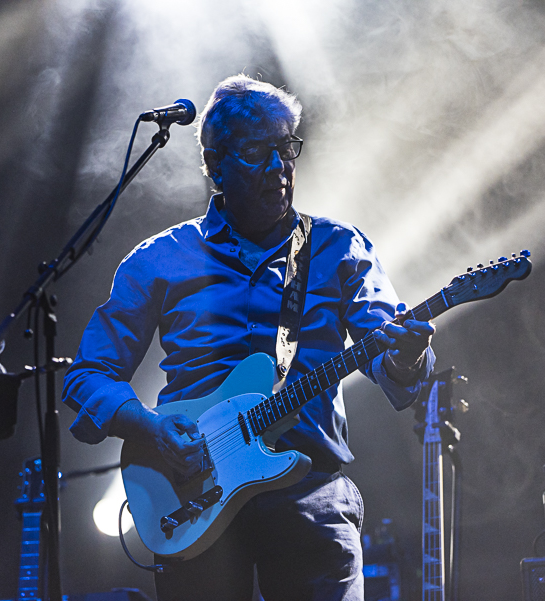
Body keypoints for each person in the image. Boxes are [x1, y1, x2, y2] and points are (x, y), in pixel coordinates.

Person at [62, 74, 436, 601]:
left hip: (309, 492)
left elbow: (394, 367)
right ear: (215, 165)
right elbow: (87, 377)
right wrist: (151, 428)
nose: (280, 166)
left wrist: (407, 355)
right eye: (259, 152)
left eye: (287, 148)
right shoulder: (159, 259)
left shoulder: (339, 248)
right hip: (193, 495)